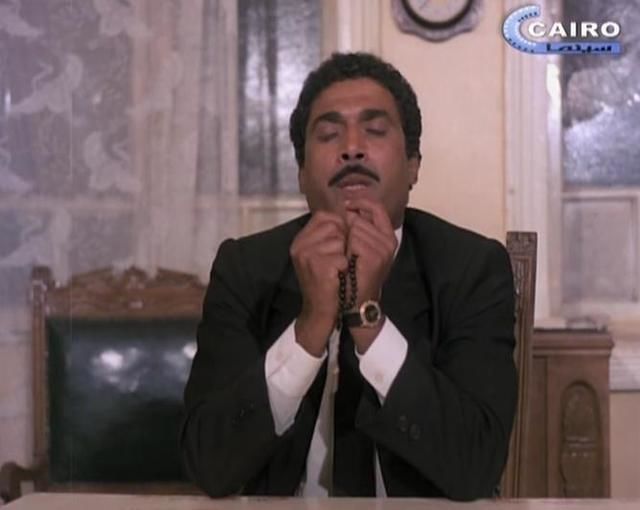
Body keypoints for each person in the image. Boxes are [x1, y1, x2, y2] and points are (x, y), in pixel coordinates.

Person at [181, 52, 517, 501]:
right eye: (328, 134)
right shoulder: (246, 268)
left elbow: (475, 466)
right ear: (302, 173)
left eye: (375, 130)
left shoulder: (471, 268)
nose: (352, 148)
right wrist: (309, 329)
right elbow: (209, 464)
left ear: (413, 165)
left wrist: (367, 319)